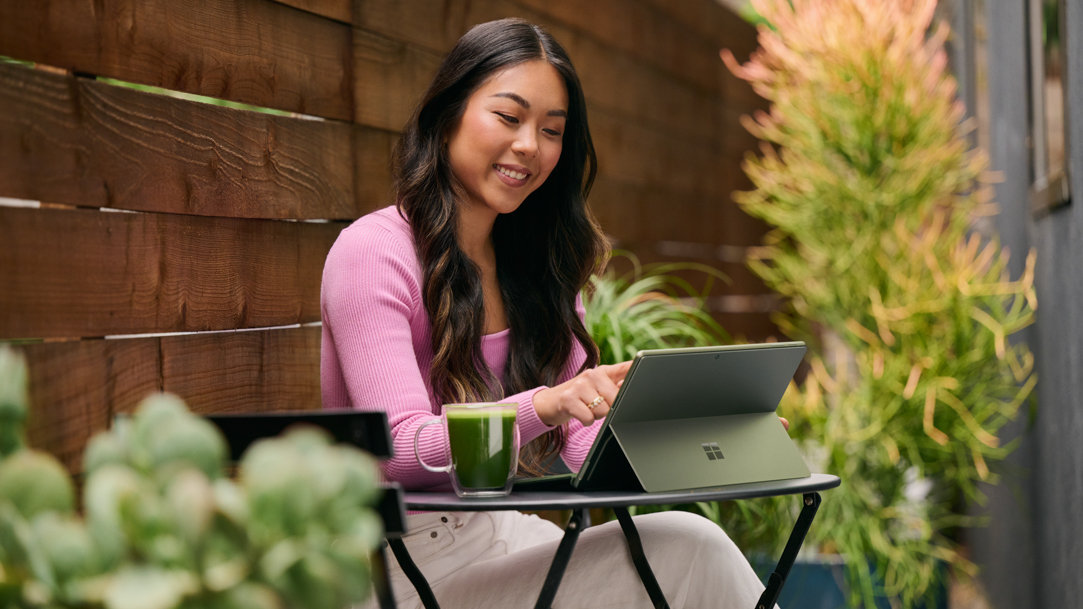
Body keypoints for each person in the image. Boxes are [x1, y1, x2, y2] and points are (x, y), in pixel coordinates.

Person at [321, 17, 776, 609]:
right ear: (448, 112)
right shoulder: (374, 252)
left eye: (552, 130)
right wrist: (544, 404)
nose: (530, 146)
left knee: (686, 549)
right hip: (396, 566)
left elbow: (583, 445)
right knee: (691, 548)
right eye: (508, 118)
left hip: (496, 535)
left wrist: (709, 441)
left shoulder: (539, 268)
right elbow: (399, 451)